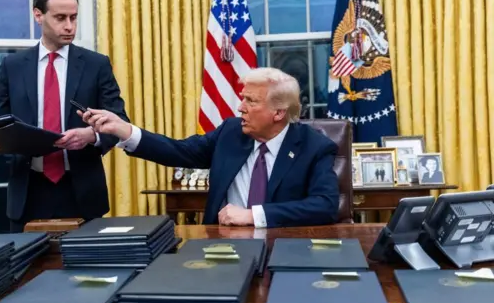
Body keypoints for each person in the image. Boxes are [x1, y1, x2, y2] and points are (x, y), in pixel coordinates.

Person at [79, 68, 339, 228]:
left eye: (250, 101)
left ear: (279, 113)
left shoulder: (314, 146)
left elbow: (324, 205)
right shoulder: (231, 133)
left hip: (283, 246)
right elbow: (179, 151)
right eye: (242, 99)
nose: (240, 108)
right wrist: (125, 130)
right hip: (221, 244)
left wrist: (253, 215)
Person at [0, 0, 129, 232]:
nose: (69, 26)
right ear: (38, 15)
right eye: (60, 18)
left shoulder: (96, 64)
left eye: (74, 18)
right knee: (27, 271)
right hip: (28, 192)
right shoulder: (13, 65)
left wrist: (92, 135)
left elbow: (119, 121)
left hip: (82, 194)